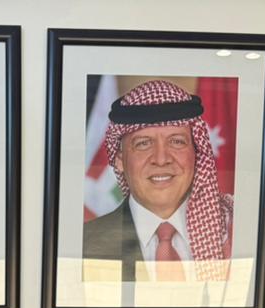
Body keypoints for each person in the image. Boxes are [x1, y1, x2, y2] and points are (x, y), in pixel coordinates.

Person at [83, 80, 233, 283]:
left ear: (197, 152)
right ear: (119, 160)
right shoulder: (85, 245)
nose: (161, 159)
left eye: (177, 142)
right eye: (144, 144)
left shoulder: (234, 231)